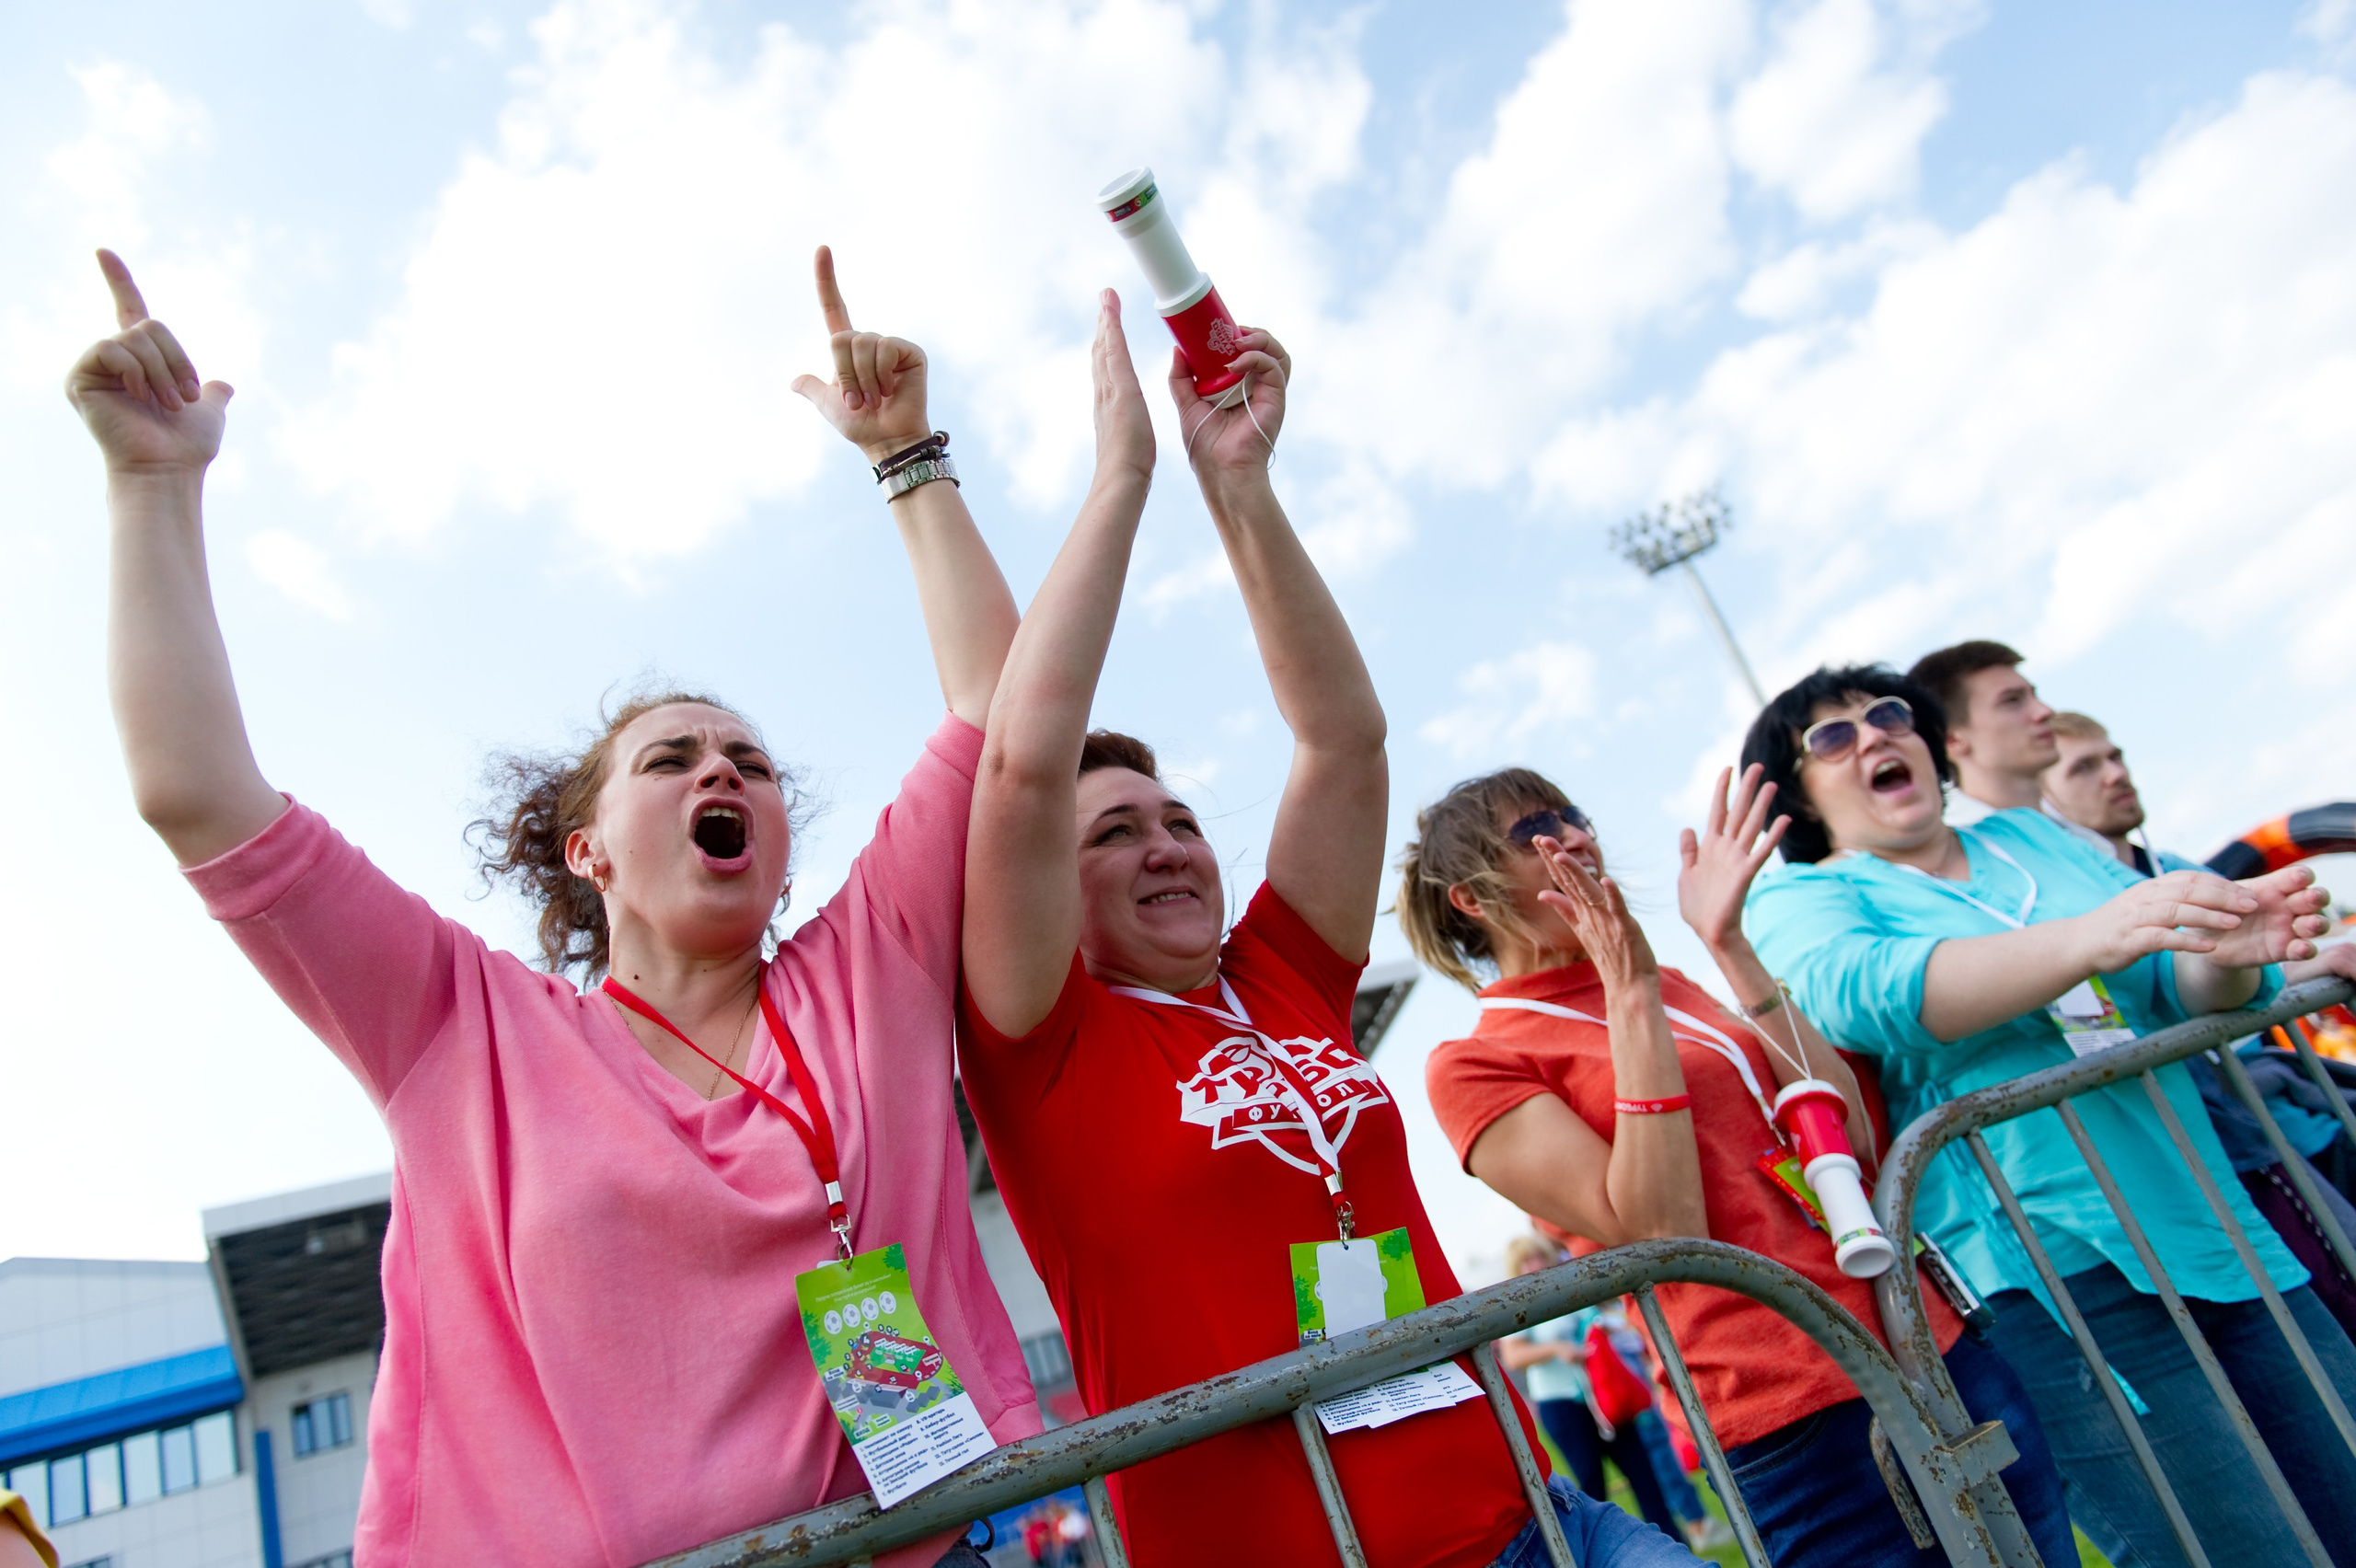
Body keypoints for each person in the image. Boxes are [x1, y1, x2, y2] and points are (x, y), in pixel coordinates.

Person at [67, 248, 1037, 1567]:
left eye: (750, 762)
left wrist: (908, 458)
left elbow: (1003, 716)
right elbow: (195, 795)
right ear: (589, 853)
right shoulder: (457, 1026)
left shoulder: (871, 967)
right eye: (674, 758)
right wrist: (151, 482)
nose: (723, 770)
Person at [954, 302, 1695, 1568]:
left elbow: (1344, 741)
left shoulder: (1280, 976)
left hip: (1535, 1523)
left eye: (1179, 818)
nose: (1168, 845)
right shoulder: (1040, 1042)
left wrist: (1237, 487)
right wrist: (1125, 481)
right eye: (1114, 835)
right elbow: (1017, 772)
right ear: (1042, 901)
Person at [1741, 663, 2356, 1568]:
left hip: (2213, 1231)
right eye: (1831, 737)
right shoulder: (1807, 895)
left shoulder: (2033, 840)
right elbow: (1867, 999)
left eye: (1885, 715)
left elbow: (2172, 991)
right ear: (1798, 793)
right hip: (2051, 1277)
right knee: (2242, 1548)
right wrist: (2095, 937)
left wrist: (2228, 952)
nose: (1872, 735)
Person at [1409, 765, 2075, 1566]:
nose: (1578, 835)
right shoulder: (1479, 1061)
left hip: (1925, 1341)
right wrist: (1629, 993)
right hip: (1789, 1411)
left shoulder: (1675, 982)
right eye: (1535, 832)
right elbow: (1663, 1230)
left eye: (1573, 814)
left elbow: (1847, 1131)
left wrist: (1729, 946)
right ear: (1472, 901)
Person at [2042, 711, 2356, 1331]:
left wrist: (2320, 958)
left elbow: (2252, 964)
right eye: (2085, 766)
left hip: (2286, 1114)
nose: (2114, 775)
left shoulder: (2175, 866)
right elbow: (2159, 998)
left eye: (2116, 756)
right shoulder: (2067, 901)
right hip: (2222, 1143)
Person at [1495, 1237, 1685, 1541]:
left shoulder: (1569, 1291)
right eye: (1526, 1261)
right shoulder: (1517, 1303)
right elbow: (1513, 1356)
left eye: (1538, 1257)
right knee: (1590, 1485)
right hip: (1563, 1405)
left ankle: (1674, 1547)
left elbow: (1598, 1320)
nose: (1535, 1265)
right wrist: (1557, 1348)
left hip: (1606, 1398)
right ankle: (1600, 1553)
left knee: (1645, 1476)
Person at [1906, 641, 2103, 854]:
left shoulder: (2087, 841)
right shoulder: (1957, 853)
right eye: (2012, 701)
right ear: (1952, 739)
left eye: (2033, 695)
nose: (2045, 711)